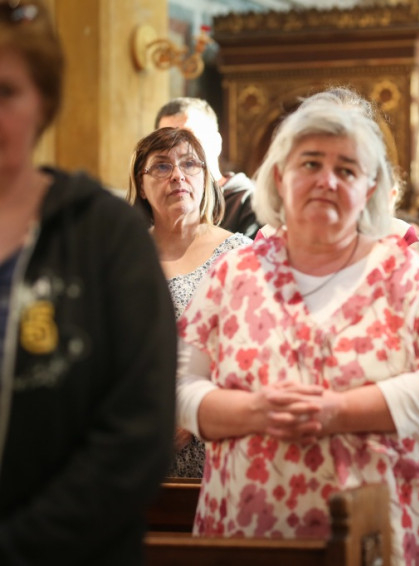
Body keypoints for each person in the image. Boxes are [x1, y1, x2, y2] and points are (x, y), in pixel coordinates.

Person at [175, 91, 419, 565]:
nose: (327, 180)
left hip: (377, 533)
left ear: (370, 189)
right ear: (280, 177)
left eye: (347, 169)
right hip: (250, 531)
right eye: (311, 163)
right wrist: (255, 412)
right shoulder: (234, 272)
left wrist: (338, 411)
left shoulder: (402, 273)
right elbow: (179, 384)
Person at [0, 2, 176, 563]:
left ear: (44, 103)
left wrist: (17, 547)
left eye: (5, 92)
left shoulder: (104, 234)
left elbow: (139, 428)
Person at [126, 127, 251, 478]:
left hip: (217, 443)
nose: (178, 175)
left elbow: (255, 353)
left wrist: (191, 414)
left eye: (189, 164)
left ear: (206, 177)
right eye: (162, 166)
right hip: (141, 448)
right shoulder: (125, 257)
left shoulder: (240, 255)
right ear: (141, 184)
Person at [155, 97, 260, 238]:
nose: (177, 149)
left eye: (189, 137)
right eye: (166, 141)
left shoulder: (250, 201)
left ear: (216, 142)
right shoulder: (156, 202)